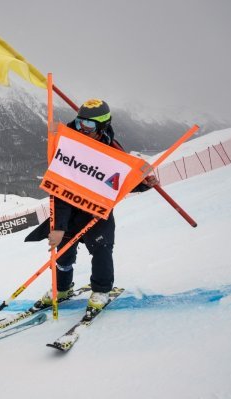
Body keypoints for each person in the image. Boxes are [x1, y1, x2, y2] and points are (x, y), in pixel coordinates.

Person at [26, 99, 159, 310]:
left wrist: (143, 184)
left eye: (88, 126)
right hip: (68, 209)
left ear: (103, 127)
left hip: (96, 211)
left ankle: (101, 290)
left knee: (102, 250)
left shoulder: (112, 150)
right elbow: (60, 190)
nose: (81, 129)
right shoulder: (69, 143)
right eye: (78, 123)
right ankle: (62, 288)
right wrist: (59, 227)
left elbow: (117, 183)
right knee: (63, 252)